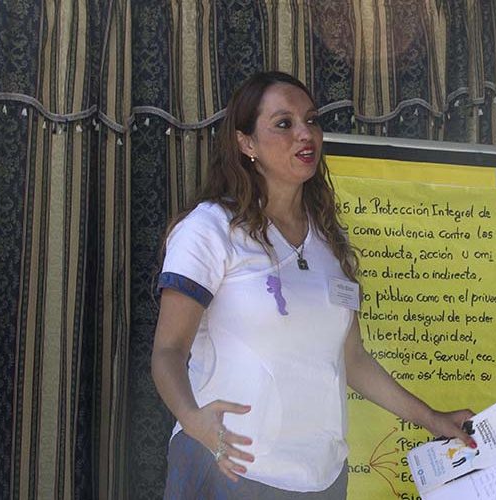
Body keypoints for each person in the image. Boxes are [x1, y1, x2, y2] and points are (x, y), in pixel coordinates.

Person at [151, 71, 475, 499]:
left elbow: (352, 360)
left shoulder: (328, 242)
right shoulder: (209, 229)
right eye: (284, 124)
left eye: (311, 120)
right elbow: (168, 351)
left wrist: (432, 419)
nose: (305, 134)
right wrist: (193, 420)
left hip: (321, 478)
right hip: (228, 470)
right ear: (246, 143)